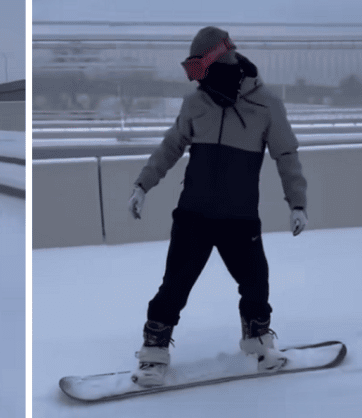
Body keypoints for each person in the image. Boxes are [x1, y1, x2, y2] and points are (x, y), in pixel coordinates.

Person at [127, 27, 308, 387]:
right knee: (175, 285)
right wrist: (142, 184)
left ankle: (259, 343)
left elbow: (286, 155)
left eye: (198, 68)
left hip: (240, 218)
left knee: (256, 282)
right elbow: (170, 146)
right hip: (193, 214)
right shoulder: (196, 102)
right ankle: (152, 355)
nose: (195, 78)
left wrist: (297, 203)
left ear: (217, 61)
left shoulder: (266, 104)